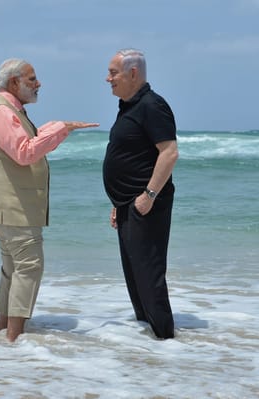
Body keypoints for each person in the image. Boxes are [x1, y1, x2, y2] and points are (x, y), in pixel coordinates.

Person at [0, 58, 98, 342]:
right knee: (28, 266)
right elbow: (25, 152)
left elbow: (24, 143)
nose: (38, 84)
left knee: (13, 268)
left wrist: (60, 127)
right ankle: (14, 338)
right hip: (12, 207)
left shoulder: (9, 109)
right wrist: (61, 129)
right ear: (14, 82)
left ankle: (5, 332)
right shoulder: (3, 111)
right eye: (32, 79)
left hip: (6, 206)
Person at [102, 48, 179, 339]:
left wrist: (149, 195)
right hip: (128, 205)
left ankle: (166, 340)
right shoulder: (128, 106)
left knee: (149, 277)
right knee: (135, 279)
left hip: (145, 205)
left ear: (133, 74)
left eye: (113, 72)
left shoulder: (152, 105)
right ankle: (148, 348)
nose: (107, 78)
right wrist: (117, 203)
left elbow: (169, 153)